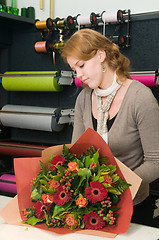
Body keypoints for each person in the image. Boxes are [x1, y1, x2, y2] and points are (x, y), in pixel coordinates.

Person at [61, 28, 159, 227]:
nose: (79, 76)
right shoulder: (83, 99)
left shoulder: (140, 98)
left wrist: (116, 185)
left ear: (100, 55)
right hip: (92, 208)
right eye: (74, 70)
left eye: (81, 65)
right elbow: (76, 155)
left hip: (134, 209)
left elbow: (156, 161)